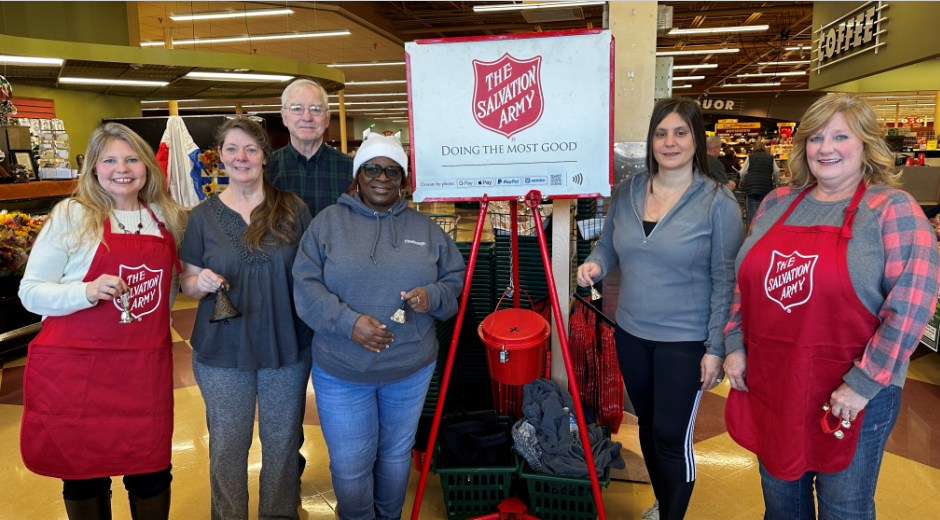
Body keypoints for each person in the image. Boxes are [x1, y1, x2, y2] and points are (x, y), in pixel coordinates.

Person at [723, 94, 940, 520]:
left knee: (846, 508)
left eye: (841, 136)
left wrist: (862, 383)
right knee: (782, 502)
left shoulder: (892, 211)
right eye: (817, 137)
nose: (826, 148)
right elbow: (743, 282)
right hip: (776, 380)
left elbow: (913, 303)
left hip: (852, 392)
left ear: (866, 145)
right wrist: (735, 342)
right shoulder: (776, 204)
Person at [576, 98, 743, 520]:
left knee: (672, 434)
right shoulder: (629, 191)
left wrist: (716, 347)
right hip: (631, 332)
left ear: (696, 140)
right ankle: (663, 502)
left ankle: (672, 515)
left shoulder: (716, 203)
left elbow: (727, 280)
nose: (670, 142)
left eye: (680, 133)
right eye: (661, 133)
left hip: (686, 341)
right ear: (651, 141)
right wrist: (596, 264)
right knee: (648, 427)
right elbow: (609, 243)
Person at [293, 133, 466, 520]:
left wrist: (432, 295)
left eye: (392, 170)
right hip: (342, 370)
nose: (382, 177)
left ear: (402, 178)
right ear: (358, 175)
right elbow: (304, 285)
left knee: (394, 456)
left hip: (409, 369)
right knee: (351, 465)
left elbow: (455, 280)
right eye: (372, 168)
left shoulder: (426, 229)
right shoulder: (328, 224)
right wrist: (348, 323)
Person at [18, 123, 186, 519]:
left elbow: (170, 290)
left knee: (152, 472)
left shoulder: (166, 216)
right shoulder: (73, 215)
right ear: (93, 168)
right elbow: (30, 292)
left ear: (147, 165)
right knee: (84, 474)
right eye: (109, 160)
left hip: (143, 371)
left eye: (131, 159)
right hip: (79, 374)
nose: (121, 168)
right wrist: (85, 291)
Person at [180, 116, 313, 520]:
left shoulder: (293, 209)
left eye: (251, 149)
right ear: (220, 156)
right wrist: (198, 281)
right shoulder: (201, 217)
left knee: (283, 442)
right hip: (222, 351)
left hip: (287, 346)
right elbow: (186, 283)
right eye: (232, 149)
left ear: (264, 157)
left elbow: (313, 276)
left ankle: (278, 513)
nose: (241, 157)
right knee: (227, 444)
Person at [269, 78, 354, 218]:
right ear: (284, 117)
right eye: (297, 109)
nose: (307, 117)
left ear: (327, 118)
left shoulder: (351, 169)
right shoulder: (266, 169)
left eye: (316, 109)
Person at [738, 141, 780, 230]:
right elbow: (776, 171)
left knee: (752, 213)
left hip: (751, 187)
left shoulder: (750, 157)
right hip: (766, 188)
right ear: (764, 148)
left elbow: (742, 172)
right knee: (764, 211)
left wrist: (745, 181)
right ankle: (763, 231)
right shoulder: (770, 158)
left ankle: (752, 232)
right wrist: (774, 182)